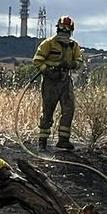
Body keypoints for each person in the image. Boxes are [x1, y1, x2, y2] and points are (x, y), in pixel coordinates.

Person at [33, 15, 83, 151]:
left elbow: (79, 62)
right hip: (50, 81)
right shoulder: (48, 43)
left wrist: (72, 64)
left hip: (65, 80)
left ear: (71, 30)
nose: (64, 30)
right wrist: (47, 71)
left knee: (69, 109)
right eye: (62, 27)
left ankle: (63, 140)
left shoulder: (74, 45)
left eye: (67, 28)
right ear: (57, 28)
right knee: (48, 110)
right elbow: (37, 60)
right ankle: (42, 141)